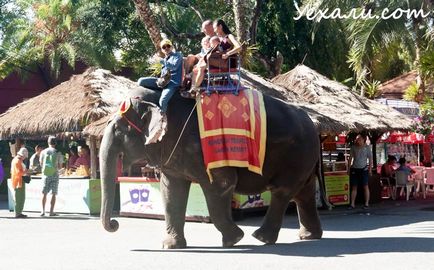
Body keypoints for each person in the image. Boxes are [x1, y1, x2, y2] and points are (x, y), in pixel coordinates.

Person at [137, 39, 183, 116]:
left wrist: (161, 61)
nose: (166, 48)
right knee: (141, 81)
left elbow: (174, 67)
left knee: (163, 101)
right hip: (162, 82)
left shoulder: (177, 55)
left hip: (172, 83)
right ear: (162, 50)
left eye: (168, 46)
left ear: (171, 47)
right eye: (164, 47)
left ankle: (163, 121)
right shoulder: (165, 59)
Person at [39, 136, 63, 217]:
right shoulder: (58, 152)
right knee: (54, 193)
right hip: (54, 174)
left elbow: (41, 163)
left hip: (45, 174)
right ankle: (51, 212)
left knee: (44, 193)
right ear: (55, 143)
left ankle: (43, 211)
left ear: (48, 142)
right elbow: (60, 166)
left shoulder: (43, 152)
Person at [348, 134, 373, 210]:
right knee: (354, 186)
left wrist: (370, 169)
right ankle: (352, 204)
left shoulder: (367, 147)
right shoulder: (353, 147)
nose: (357, 141)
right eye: (357, 139)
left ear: (363, 140)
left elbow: (370, 159)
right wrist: (348, 169)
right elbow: (350, 158)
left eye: (359, 139)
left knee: (365, 186)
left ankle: (366, 203)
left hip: (364, 169)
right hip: (355, 169)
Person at [11, 147, 29, 218]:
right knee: (19, 198)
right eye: (24, 156)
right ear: (23, 155)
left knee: (21, 197)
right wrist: (27, 172)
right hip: (18, 181)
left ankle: (19, 212)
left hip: (19, 181)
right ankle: (18, 213)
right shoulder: (17, 161)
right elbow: (19, 172)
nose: (25, 158)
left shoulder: (17, 160)